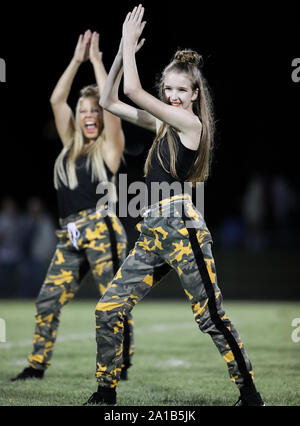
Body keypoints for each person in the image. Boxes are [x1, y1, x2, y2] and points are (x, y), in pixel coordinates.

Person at [84, 5, 265, 407]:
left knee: (210, 317)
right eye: (168, 89)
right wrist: (119, 53)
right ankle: (105, 393)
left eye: (181, 90)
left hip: (182, 228)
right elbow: (112, 100)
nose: (172, 95)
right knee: (107, 309)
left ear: (195, 94)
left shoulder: (191, 125)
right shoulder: (165, 122)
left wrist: (131, 44)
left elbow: (133, 92)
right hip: (152, 232)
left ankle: (251, 397)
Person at [11, 30, 134, 381]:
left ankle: (119, 363)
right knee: (47, 299)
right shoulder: (69, 145)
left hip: (101, 229)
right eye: (84, 111)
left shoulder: (109, 147)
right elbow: (55, 99)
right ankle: (36, 366)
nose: (89, 115)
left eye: (95, 109)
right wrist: (76, 60)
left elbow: (110, 105)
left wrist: (97, 62)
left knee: (112, 301)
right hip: (70, 234)